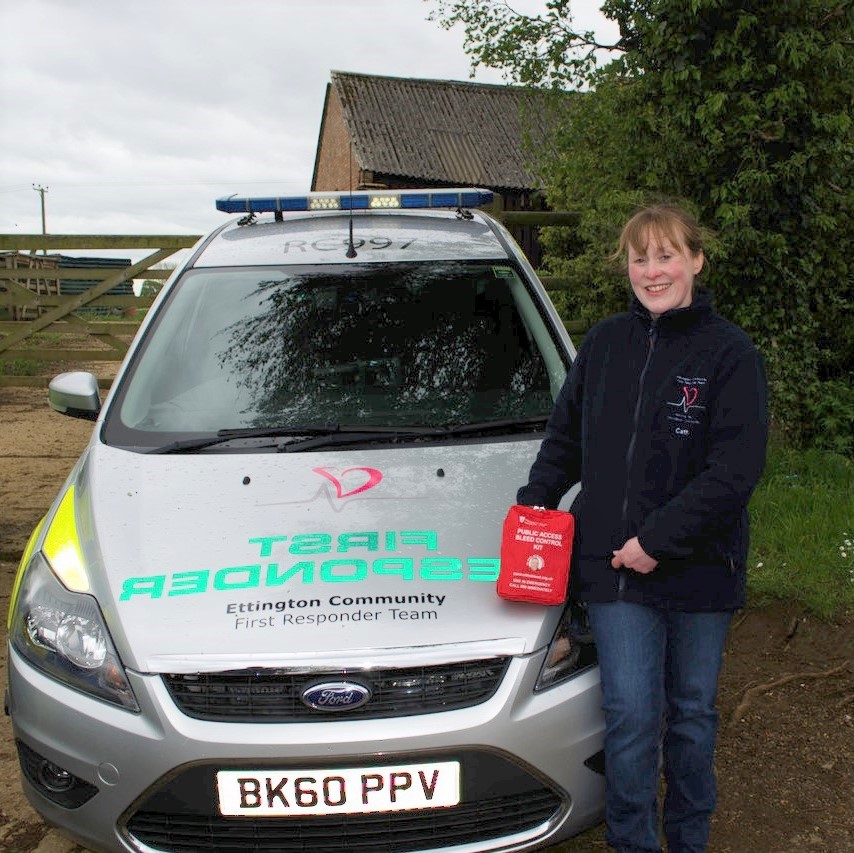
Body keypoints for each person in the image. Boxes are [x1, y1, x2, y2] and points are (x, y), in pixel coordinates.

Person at [517, 204, 769, 852]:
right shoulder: (603, 344)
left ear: (696, 260)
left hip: (701, 570)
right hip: (611, 568)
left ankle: (688, 838)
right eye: (640, 258)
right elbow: (564, 438)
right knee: (631, 716)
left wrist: (658, 540)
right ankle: (632, 841)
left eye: (665, 255)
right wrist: (534, 506)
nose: (652, 271)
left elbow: (734, 470)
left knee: (689, 717)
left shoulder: (730, 354)